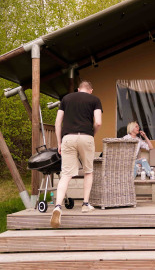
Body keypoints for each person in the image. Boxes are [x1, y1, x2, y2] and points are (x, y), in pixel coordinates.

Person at [51, 80, 102, 228]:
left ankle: (58, 206)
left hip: (68, 138)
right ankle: (85, 204)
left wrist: (59, 142)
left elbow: (57, 122)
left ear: (78, 89)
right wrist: (92, 134)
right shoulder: (95, 99)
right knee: (88, 171)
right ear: (90, 90)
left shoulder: (66, 98)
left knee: (66, 174)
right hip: (86, 136)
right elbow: (98, 122)